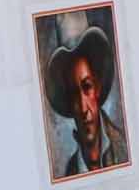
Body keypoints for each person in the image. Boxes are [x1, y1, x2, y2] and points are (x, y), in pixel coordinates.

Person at [50, 24, 130, 177]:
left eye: (87, 87)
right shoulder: (70, 172)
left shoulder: (124, 148)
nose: (83, 107)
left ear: (98, 87)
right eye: (74, 94)